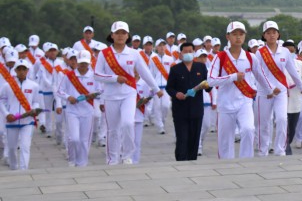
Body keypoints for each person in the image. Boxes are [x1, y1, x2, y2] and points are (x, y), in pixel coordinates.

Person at [93, 21, 162, 165]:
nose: (120, 36)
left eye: (123, 33)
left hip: (129, 94)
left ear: (128, 35)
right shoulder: (104, 54)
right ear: (112, 35)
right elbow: (97, 75)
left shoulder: (134, 53)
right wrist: (114, 78)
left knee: (128, 123)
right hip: (110, 95)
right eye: (117, 33)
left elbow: (145, 72)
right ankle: (112, 159)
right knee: (112, 130)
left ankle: (127, 156)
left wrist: (156, 89)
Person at [208, 22, 268, 159]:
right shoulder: (220, 57)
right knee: (225, 141)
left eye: (241, 34)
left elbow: (261, 77)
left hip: (244, 102)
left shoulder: (250, 57)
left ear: (245, 36)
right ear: (227, 37)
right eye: (234, 34)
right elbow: (211, 80)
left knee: (248, 129)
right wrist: (233, 77)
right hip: (225, 104)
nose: (238, 37)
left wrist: (270, 90)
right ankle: (226, 167)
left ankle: (246, 162)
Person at [254, 21, 302, 157]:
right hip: (264, 92)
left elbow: (293, 71)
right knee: (264, 123)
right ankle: (263, 151)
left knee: (282, 119)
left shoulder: (285, 52)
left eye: (274, 32)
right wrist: (270, 88)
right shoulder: (260, 53)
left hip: (281, 91)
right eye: (268, 33)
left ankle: (280, 150)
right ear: (264, 35)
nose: (271, 35)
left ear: (278, 34)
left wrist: (301, 86)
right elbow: (258, 74)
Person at [165, 42, 208, 161]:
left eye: (190, 51)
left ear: (194, 53)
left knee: (194, 139)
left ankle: (192, 161)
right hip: (180, 110)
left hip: (196, 109)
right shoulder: (175, 69)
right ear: (180, 54)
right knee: (182, 138)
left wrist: (206, 86)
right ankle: (180, 162)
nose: (188, 53)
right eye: (185, 51)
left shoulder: (201, 67)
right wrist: (176, 94)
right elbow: (169, 87)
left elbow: (209, 86)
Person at [56, 50, 100, 167]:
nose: (83, 65)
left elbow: (101, 90)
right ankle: (72, 159)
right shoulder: (69, 75)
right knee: (74, 138)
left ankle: (82, 163)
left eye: (85, 63)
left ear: (89, 62)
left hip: (88, 110)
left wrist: (93, 94)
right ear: (76, 62)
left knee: (84, 140)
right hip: (72, 111)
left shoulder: (94, 76)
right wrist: (68, 97)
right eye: (81, 63)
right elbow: (59, 91)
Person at [1, 59, 42, 170]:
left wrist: (34, 109)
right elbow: (1, 101)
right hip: (12, 120)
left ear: (27, 70)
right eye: (19, 69)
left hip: (27, 121)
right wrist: (6, 114)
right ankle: (14, 168)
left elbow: (36, 101)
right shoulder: (7, 85)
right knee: (11, 148)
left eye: (24, 69)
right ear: (15, 70)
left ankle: (24, 170)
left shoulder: (34, 86)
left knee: (25, 146)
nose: (22, 71)